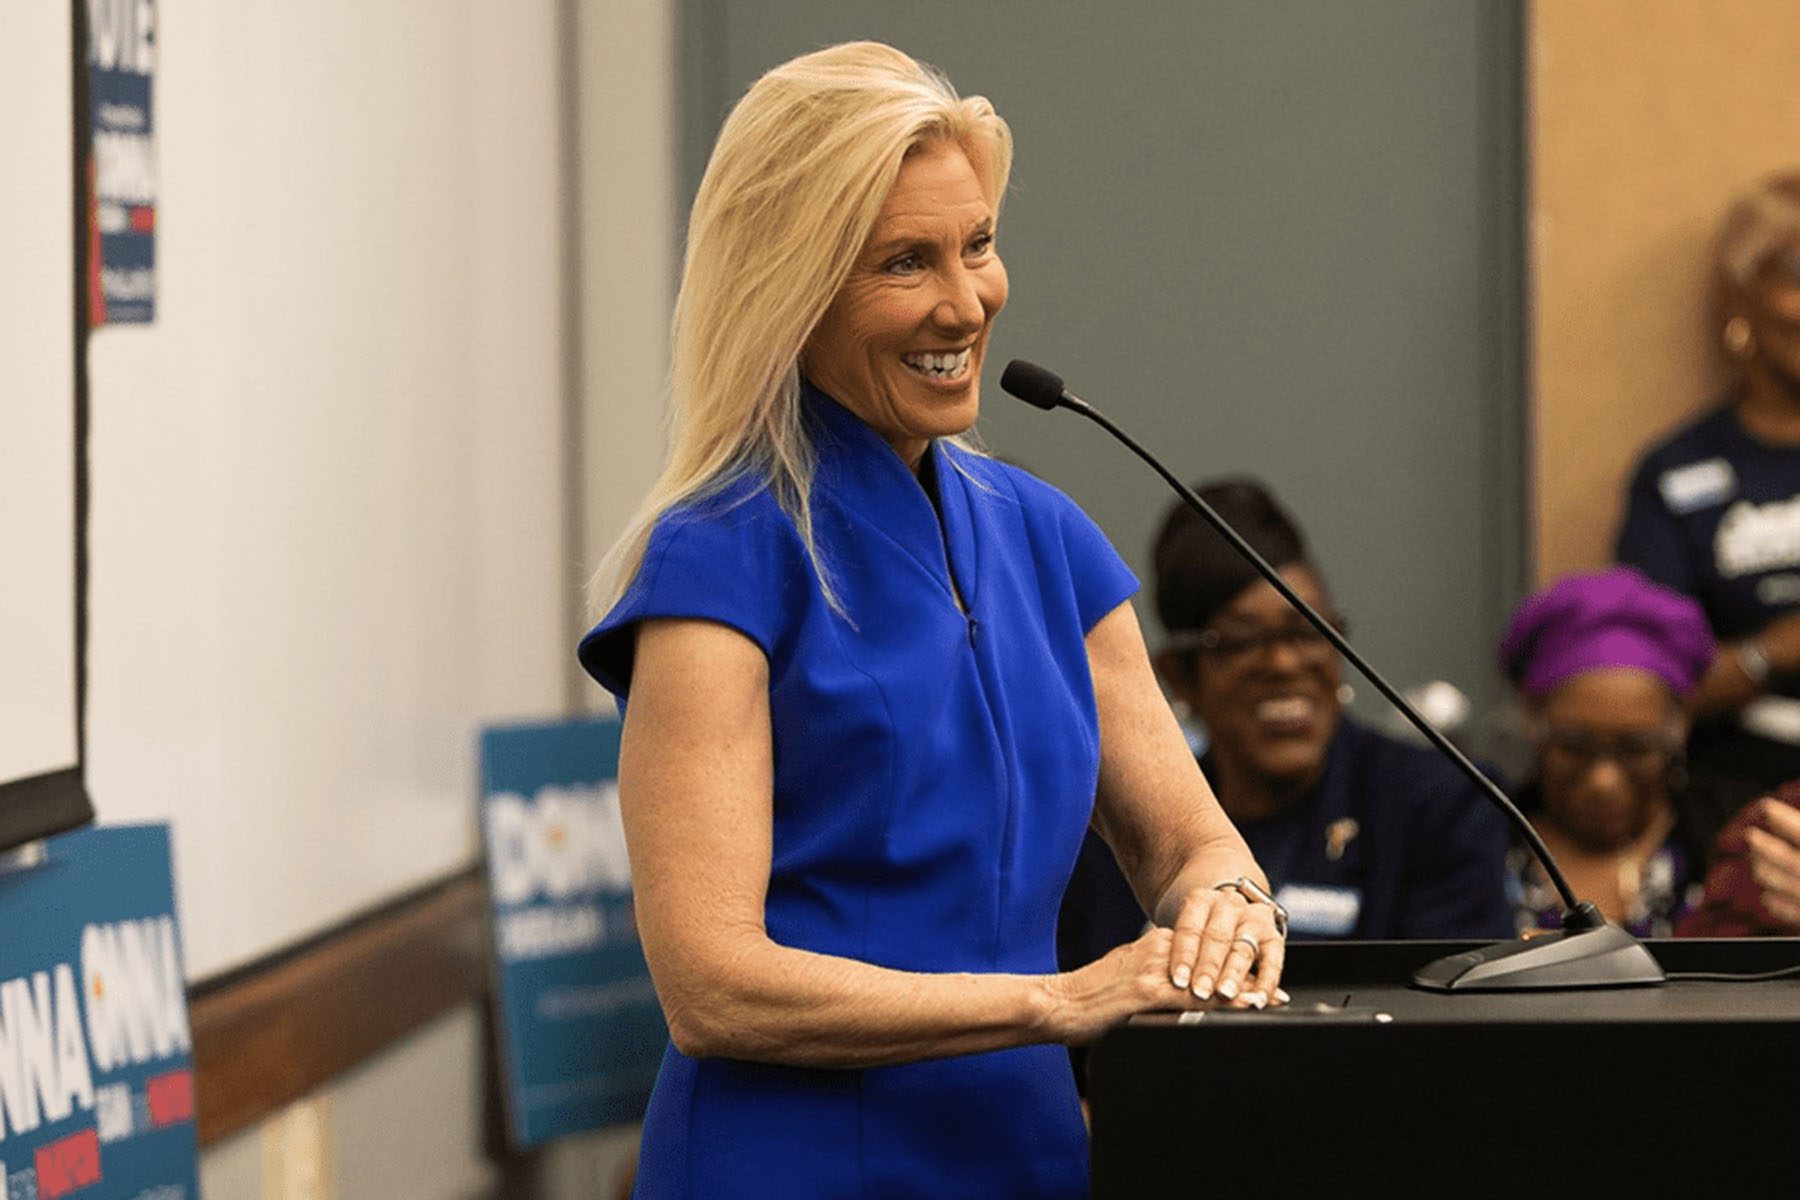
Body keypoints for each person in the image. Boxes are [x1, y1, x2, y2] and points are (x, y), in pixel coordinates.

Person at [577, 43, 1284, 1199]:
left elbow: (1189, 844)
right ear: (792, 287)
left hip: (1028, 1157)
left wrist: (1229, 910)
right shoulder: (720, 557)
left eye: (980, 245)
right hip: (792, 1166)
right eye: (906, 263)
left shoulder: (1047, 536)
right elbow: (711, 987)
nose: (967, 302)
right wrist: (1061, 1001)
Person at [1061, 478, 1511, 972]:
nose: (1283, 663)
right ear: (1179, 676)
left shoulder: (1436, 806)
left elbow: (1461, 1019)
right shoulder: (1126, 829)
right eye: (1242, 640)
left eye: (1308, 631)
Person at [1616, 171, 1800, 792]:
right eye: (1796, 269)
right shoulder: (1676, 472)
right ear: (1738, 294)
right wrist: (1770, 654)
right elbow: (1641, 688)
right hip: (1735, 792)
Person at [1498, 567, 1747, 936]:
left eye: (1636, 749)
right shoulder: (1477, 845)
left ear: (1680, 725)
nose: (1604, 780)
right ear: (1532, 716)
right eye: (1573, 746)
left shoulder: (1735, 846)